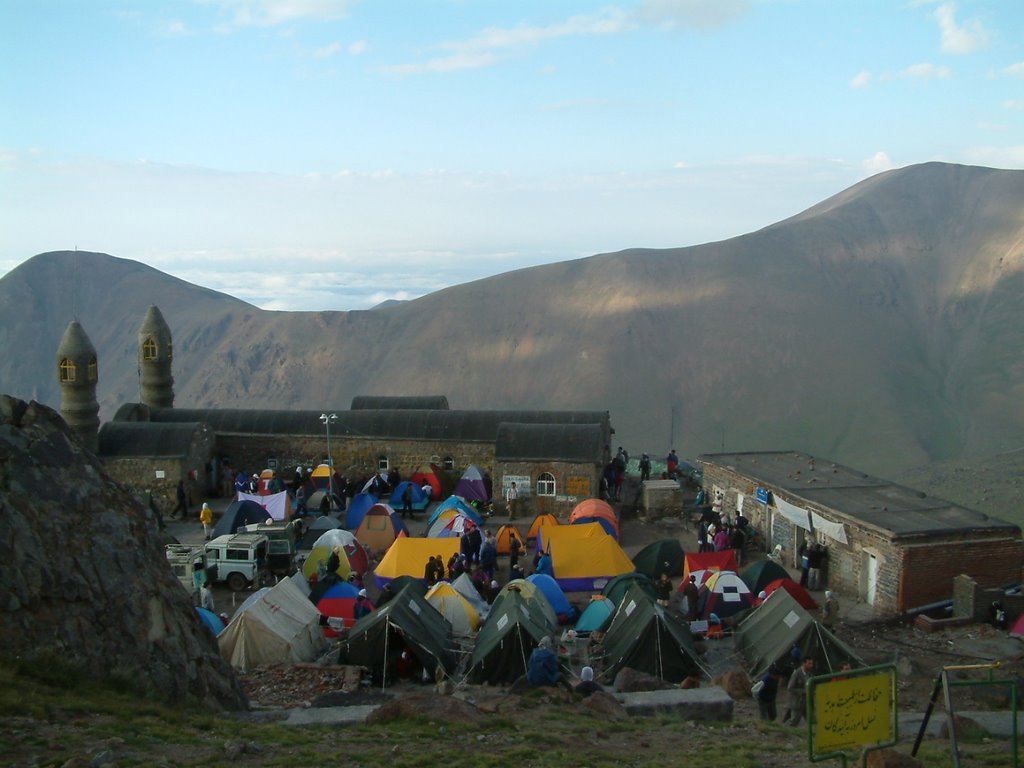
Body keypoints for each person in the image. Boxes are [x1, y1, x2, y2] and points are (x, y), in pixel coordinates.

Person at [785, 658, 815, 726]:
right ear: (804, 663)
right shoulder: (797, 674)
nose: (811, 665)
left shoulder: (810, 673)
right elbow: (790, 688)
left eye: (812, 663)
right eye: (809, 663)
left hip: (808, 702)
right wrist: (804, 692)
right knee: (793, 722)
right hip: (798, 702)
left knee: (812, 720)